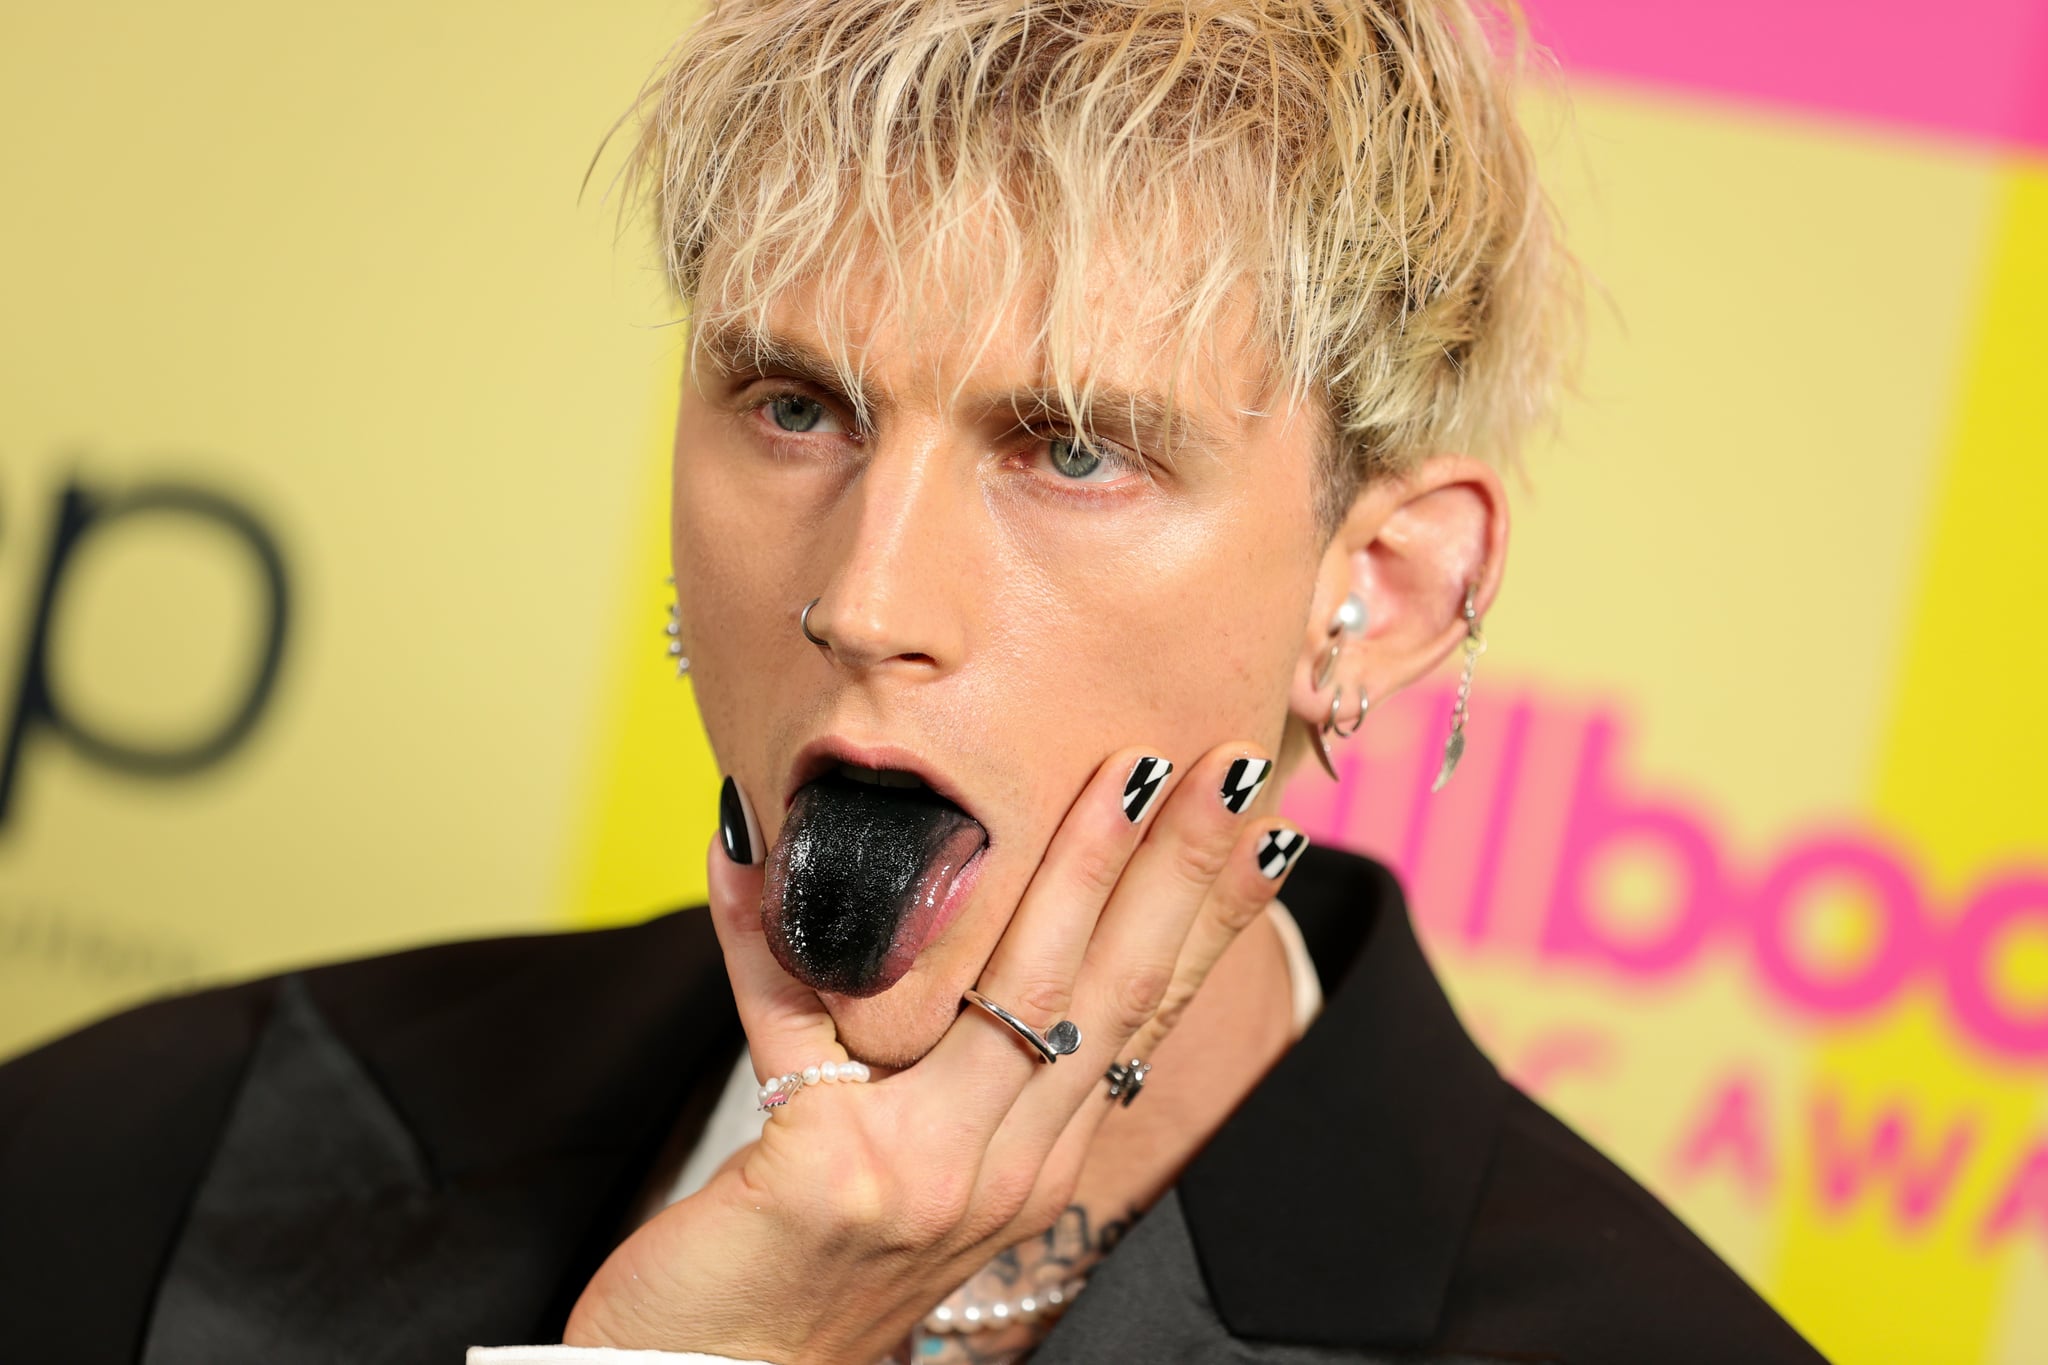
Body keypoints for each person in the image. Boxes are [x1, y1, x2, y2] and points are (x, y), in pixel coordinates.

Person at [0, 2, 1832, 1362]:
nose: (866, 597)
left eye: (1074, 451)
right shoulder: (134, 1144)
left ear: (1381, 586)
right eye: (795, 408)